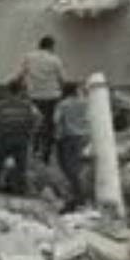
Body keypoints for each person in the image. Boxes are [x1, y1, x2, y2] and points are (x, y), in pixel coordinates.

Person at [0, 80, 39, 194]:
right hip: (22, 138)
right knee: (21, 166)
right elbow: (37, 118)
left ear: (8, 91)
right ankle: (20, 190)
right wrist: (31, 132)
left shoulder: (1, 105)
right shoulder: (28, 105)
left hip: (4, 138)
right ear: (21, 91)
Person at [20, 36, 65, 158]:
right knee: (49, 124)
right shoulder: (55, 60)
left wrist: (24, 89)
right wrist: (62, 92)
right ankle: (46, 153)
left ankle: (34, 148)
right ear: (51, 46)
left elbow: (22, 74)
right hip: (52, 96)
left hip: (34, 95)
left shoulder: (28, 57)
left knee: (35, 122)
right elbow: (61, 79)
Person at [53, 82, 91, 210]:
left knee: (67, 167)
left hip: (67, 137)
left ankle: (77, 195)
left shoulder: (63, 104)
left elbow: (56, 119)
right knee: (77, 166)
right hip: (82, 137)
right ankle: (79, 194)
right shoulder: (84, 103)